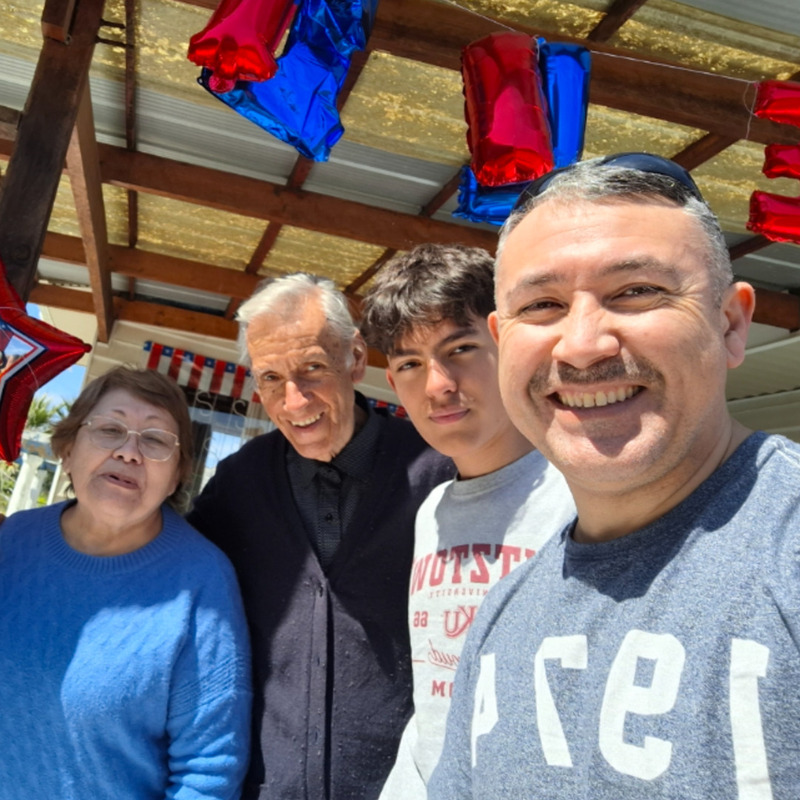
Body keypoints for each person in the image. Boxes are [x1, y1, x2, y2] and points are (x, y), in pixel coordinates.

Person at [428, 152, 800, 799]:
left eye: (636, 291)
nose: (582, 344)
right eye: (541, 305)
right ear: (501, 340)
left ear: (730, 324)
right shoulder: (503, 614)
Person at [187, 273, 454, 800]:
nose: (294, 401)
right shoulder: (239, 482)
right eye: (271, 378)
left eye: (312, 368)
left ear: (353, 359)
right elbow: (175, 585)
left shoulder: (436, 468)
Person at [360, 243, 575, 799]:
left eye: (460, 348)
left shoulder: (583, 498)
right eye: (410, 364)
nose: (438, 384)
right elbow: (436, 704)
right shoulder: (431, 512)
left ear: (508, 344)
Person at [0, 366, 252, 799]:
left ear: (177, 476)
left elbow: (209, 770)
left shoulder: (201, 583)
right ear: (68, 449)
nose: (130, 452)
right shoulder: (13, 539)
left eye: (155, 440)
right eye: (110, 430)